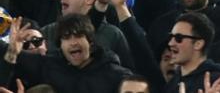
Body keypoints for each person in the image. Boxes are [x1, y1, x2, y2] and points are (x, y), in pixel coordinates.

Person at [0, 15, 131, 93]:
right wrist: (12, 51)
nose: (73, 43)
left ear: (90, 42)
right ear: (60, 45)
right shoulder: (49, 65)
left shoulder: (116, 75)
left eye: (78, 36)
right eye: (66, 37)